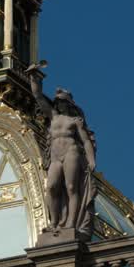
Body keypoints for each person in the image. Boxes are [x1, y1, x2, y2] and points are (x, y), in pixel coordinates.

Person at [27, 63, 97, 237]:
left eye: (63, 102)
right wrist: (34, 77)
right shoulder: (53, 117)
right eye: (58, 102)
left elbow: (86, 141)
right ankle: (54, 222)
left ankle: (71, 223)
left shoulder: (75, 121)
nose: (60, 104)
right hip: (55, 155)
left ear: (69, 104)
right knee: (51, 187)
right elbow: (37, 95)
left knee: (71, 187)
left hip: (71, 152)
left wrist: (91, 159)